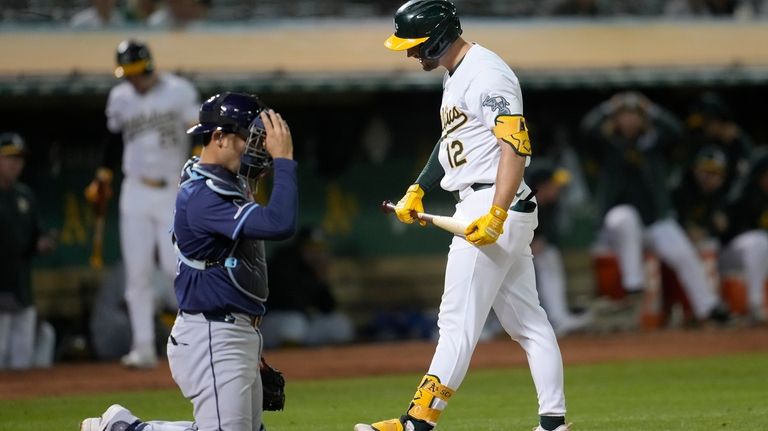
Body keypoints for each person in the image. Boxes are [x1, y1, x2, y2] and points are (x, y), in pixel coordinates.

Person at [355, 2, 570, 431]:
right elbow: (452, 139)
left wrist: (495, 212)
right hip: (487, 200)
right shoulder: (458, 73)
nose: (411, 54)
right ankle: (553, 423)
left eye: (415, 45)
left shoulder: (486, 72)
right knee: (529, 323)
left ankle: (418, 421)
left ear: (438, 36)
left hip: (492, 201)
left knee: (456, 322)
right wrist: (419, 187)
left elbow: (516, 144)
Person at [81, 92, 296, 431]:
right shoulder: (203, 194)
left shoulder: (231, 184)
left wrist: (248, 347)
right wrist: (284, 162)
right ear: (219, 137)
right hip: (212, 333)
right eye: (249, 138)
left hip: (233, 331)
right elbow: (279, 224)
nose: (258, 149)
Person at [84, 39, 200, 368]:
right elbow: (114, 137)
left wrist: (198, 169)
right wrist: (103, 176)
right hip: (134, 190)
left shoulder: (178, 90)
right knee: (137, 273)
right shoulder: (120, 97)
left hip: (170, 190)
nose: (132, 80)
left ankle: (192, 341)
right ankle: (143, 346)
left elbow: (199, 130)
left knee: (173, 266)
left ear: (148, 66)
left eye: (136, 72)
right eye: (128, 74)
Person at [581, 91, 730, 325]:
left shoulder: (654, 143)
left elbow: (677, 130)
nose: (629, 120)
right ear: (616, 120)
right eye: (624, 115)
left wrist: (650, 109)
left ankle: (709, 308)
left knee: (683, 253)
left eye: (634, 115)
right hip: (618, 228)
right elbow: (586, 129)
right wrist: (610, 107)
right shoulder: (608, 145)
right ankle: (634, 285)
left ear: (643, 119)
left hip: (654, 221)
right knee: (625, 217)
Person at [0, 132, 56, 370]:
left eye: (19, 158)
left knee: (22, 358)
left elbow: (36, 236)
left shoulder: (24, 195)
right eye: (9, 157)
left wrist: (43, 242)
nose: (15, 163)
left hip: (21, 286)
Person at [526, 160, 593, 336]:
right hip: (504, 251)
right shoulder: (520, 199)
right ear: (542, 185)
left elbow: (550, 234)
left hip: (528, 255)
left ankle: (558, 318)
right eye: (553, 185)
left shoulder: (551, 205)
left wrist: (538, 242)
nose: (558, 189)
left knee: (549, 255)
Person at [261, 225, 354, 348]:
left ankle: (323, 363)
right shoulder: (283, 262)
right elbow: (290, 303)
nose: (316, 251)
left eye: (320, 247)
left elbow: (328, 307)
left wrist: (320, 279)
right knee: (294, 322)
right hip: (274, 322)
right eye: (311, 246)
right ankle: (289, 362)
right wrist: (312, 276)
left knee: (339, 324)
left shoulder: (314, 268)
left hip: (302, 323)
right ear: (300, 247)